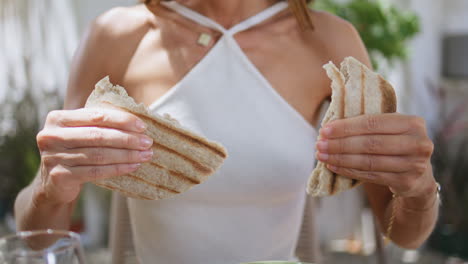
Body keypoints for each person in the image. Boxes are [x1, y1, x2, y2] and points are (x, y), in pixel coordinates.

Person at [15, 0, 439, 262]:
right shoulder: (115, 36)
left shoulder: (329, 40)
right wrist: (49, 188)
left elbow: (400, 228)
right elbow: (37, 241)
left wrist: (419, 191)